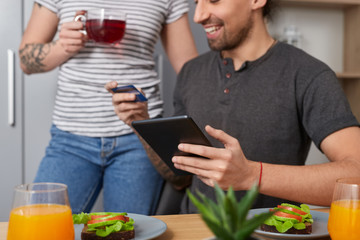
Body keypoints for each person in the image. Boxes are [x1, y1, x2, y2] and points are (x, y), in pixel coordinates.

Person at [106, 0, 360, 214]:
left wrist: (252, 175)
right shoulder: (190, 73)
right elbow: (180, 178)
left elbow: (356, 173)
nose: (198, 15)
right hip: (195, 231)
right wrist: (140, 122)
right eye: (197, 3)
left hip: (268, 232)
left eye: (213, 0)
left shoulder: (308, 74)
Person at [19, 0, 198, 215]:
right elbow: (25, 60)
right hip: (70, 138)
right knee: (41, 229)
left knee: (127, 232)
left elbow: (192, 72)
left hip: (139, 139)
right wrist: (61, 47)